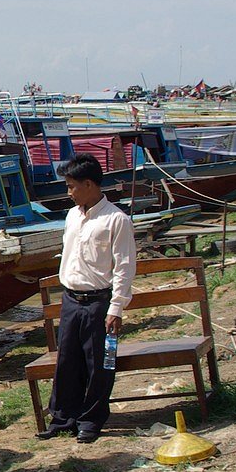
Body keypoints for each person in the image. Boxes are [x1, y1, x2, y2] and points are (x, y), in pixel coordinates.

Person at [41, 154, 136, 445]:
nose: (69, 193)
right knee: (67, 360)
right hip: (71, 299)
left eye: (72, 187)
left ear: (89, 184)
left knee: (99, 363)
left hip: (99, 303)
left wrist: (116, 307)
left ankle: (91, 420)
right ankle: (63, 417)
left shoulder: (116, 220)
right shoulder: (72, 215)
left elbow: (124, 266)